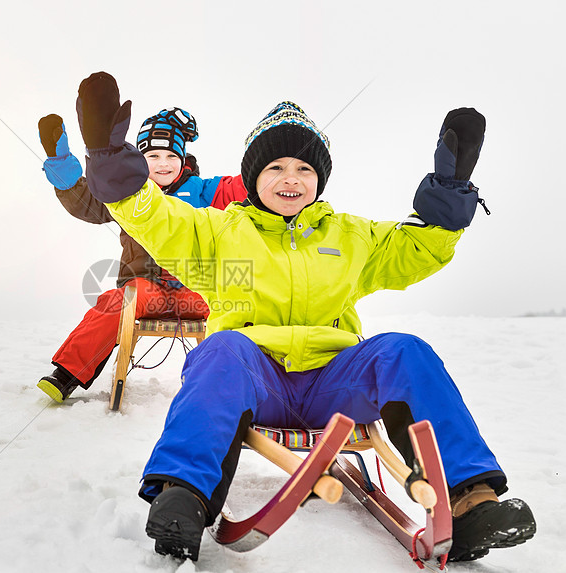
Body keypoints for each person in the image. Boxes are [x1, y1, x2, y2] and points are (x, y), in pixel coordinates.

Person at [72, 71, 536, 563]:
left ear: (318, 179)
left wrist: (449, 192)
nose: (291, 178)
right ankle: (183, 496)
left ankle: (470, 500)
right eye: (275, 167)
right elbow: (154, 216)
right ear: (253, 179)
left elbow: (415, 247)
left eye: (303, 168)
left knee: (404, 348)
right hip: (256, 379)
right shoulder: (219, 232)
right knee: (220, 351)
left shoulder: (351, 235)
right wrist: (111, 164)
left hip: (336, 385)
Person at [35, 108, 246, 402]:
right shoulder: (129, 195)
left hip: (197, 288)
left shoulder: (203, 191)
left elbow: (242, 187)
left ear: (183, 160)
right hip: (148, 287)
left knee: (237, 307)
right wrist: (61, 166)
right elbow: (87, 201)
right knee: (116, 303)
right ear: (139, 161)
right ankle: (68, 374)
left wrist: (273, 165)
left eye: (171, 156)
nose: (163, 164)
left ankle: (243, 383)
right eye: (153, 157)